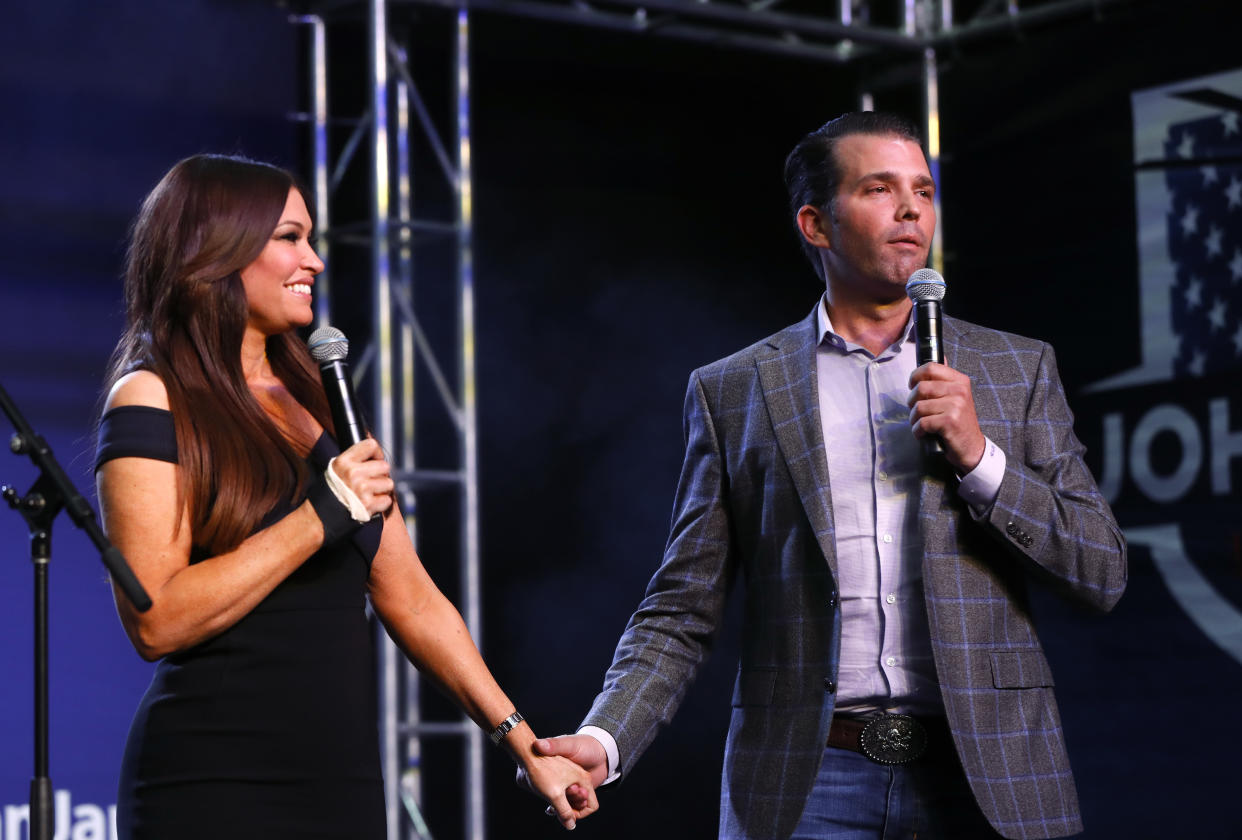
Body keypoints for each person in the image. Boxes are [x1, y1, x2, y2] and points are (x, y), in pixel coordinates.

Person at [524, 112, 1127, 839]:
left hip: (986, 776)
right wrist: (605, 737)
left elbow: (1101, 570)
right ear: (815, 222)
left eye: (923, 191)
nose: (911, 210)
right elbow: (682, 607)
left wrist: (980, 459)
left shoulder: (1013, 369)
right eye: (879, 188)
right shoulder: (735, 390)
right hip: (807, 782)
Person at [95, 153, 596, 838]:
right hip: (212, 778)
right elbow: (155, 620)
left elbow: (412, 596)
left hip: (339, 781)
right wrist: (322, 513)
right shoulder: (154, 396)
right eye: (290, 238)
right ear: (218, 247)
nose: (316, 262)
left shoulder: (319, 399)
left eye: (313, 240)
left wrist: (526, 744)